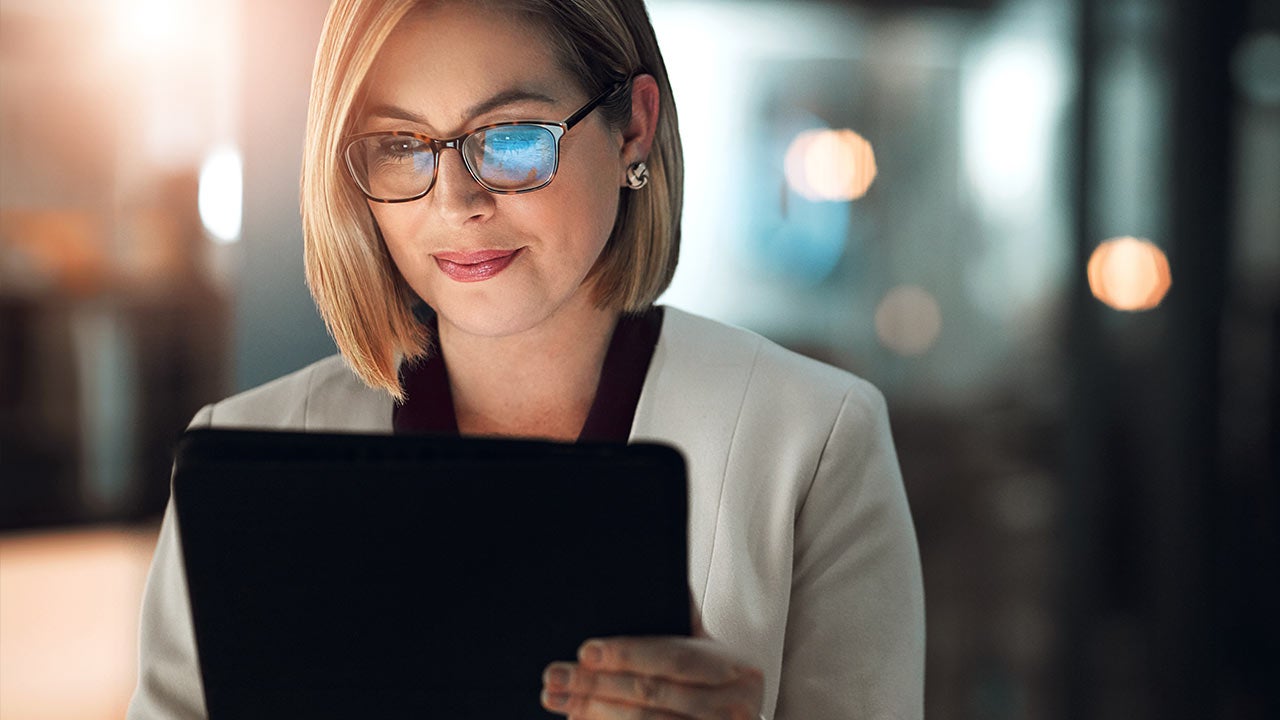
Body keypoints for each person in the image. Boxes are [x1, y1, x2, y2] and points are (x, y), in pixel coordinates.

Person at [128, 0, 925, 717]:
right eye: (402, 145)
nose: (455, 202)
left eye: (510, 138)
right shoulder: (246, 456)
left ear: (634, 128)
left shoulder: (814, 440)